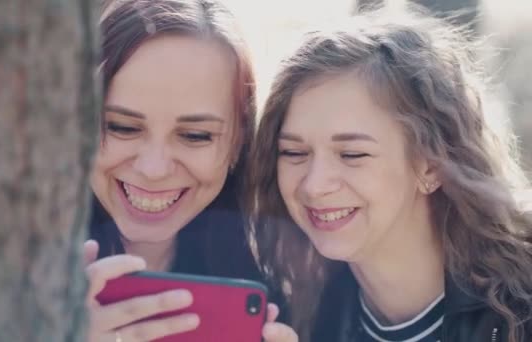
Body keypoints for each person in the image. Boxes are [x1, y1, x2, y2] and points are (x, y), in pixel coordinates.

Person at [248, 6, 532, 342]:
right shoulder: (289, 316)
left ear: (431, 164)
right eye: (294, 153)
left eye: (352, 154)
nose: (314, 185)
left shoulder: (520, 310)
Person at [84, 0, 296, 341]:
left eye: (195, 135)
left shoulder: (288, 283)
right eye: (122, 127)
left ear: (238, 142)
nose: (154, 169)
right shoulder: (1, 274)